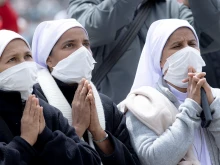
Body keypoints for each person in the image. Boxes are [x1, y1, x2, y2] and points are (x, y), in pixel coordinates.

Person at [31, 19, 140, 165]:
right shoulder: (34, 103)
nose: (82, 51)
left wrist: (98, 132)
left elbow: (131, 161)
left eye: (86, 44)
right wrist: (77, 129)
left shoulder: (105, 105)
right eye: (69, 45)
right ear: (48, 59)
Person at [68, 0, 220, 104]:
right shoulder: (88, 3)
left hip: (167, 118)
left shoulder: (171, 8)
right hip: (112, 116)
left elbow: (212, 36)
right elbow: (91, 32)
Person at [119, 19, 220, 165]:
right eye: (177, 46)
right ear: (159, 59)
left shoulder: (216, 97)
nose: (187, 51)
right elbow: (154, 159)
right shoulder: (141, 103)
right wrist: (191, 108)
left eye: (192, 44)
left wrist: (215, 109)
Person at [0, 29, 101, 165]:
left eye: (28, 56)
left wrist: (47, 137)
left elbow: (90, 160)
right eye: (12, 59)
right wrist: (25, 141)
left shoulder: (45, 110)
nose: (24, 65)